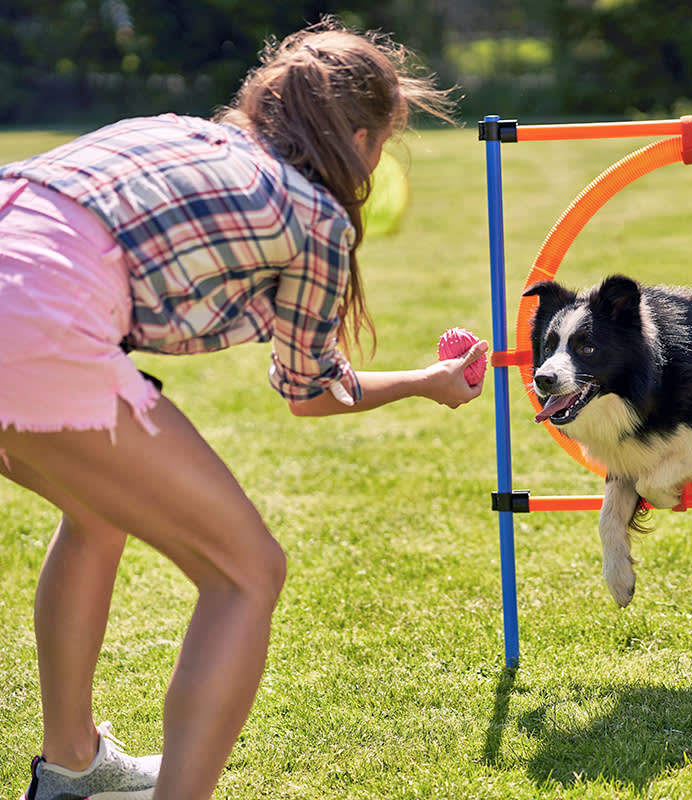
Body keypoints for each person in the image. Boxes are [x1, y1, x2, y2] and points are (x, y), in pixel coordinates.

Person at [0, 17, 487, 800]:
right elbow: (311, 392)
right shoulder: (315, 217)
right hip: (33, 325)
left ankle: (71, 768)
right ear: (361, 142)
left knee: (95, 511)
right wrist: (429, 382)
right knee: (246, 572)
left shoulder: (179, 131)